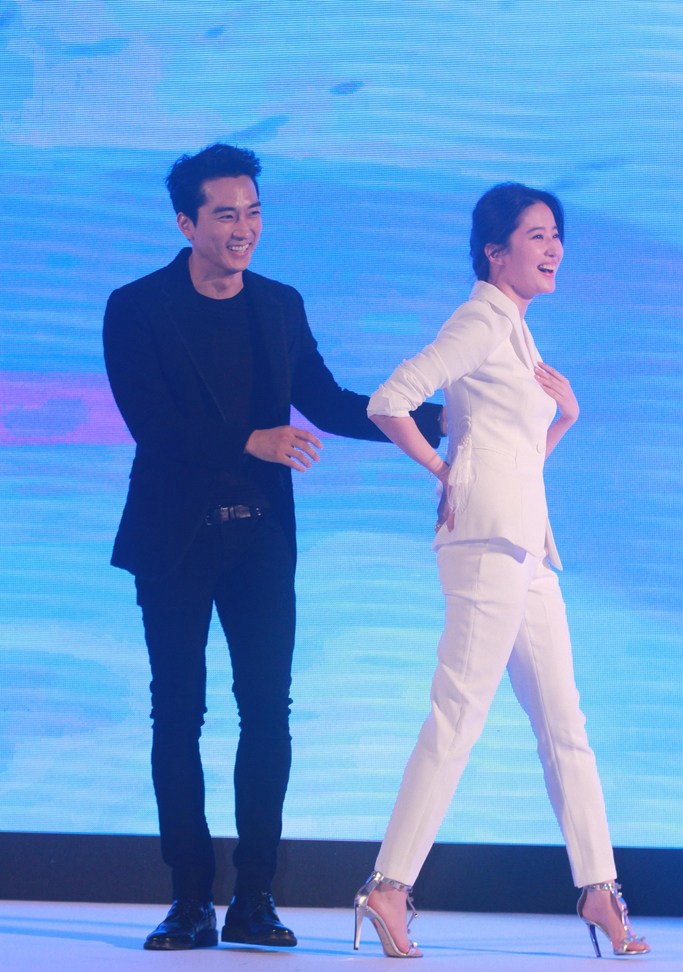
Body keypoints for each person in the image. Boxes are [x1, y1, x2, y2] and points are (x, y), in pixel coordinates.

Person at [103, 143, 444, 951]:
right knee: (177, 713)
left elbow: (326, 401)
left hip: (259, 538)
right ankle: (190, 901)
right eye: (224, 214)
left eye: (253, 213)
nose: (243, 229)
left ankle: (254, 899)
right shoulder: (136, 306)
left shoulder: (279, 304)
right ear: (186, 223)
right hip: (173, 538)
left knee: (267, 714)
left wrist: (435, 419)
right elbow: (151, 423)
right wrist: (249, 440)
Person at [353, 183, 650, 959]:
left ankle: (598, 888)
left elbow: (514, 458)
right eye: (535, 235)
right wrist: (441, 471)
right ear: (494, 251)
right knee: (457, 715)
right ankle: (388, 885)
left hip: (526, 547)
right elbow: (390, 400)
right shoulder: (481, 320)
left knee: (564, 725)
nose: (553, 249)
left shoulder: (515, 330)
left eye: (556, 235)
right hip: (487, 546)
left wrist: (565, 420)